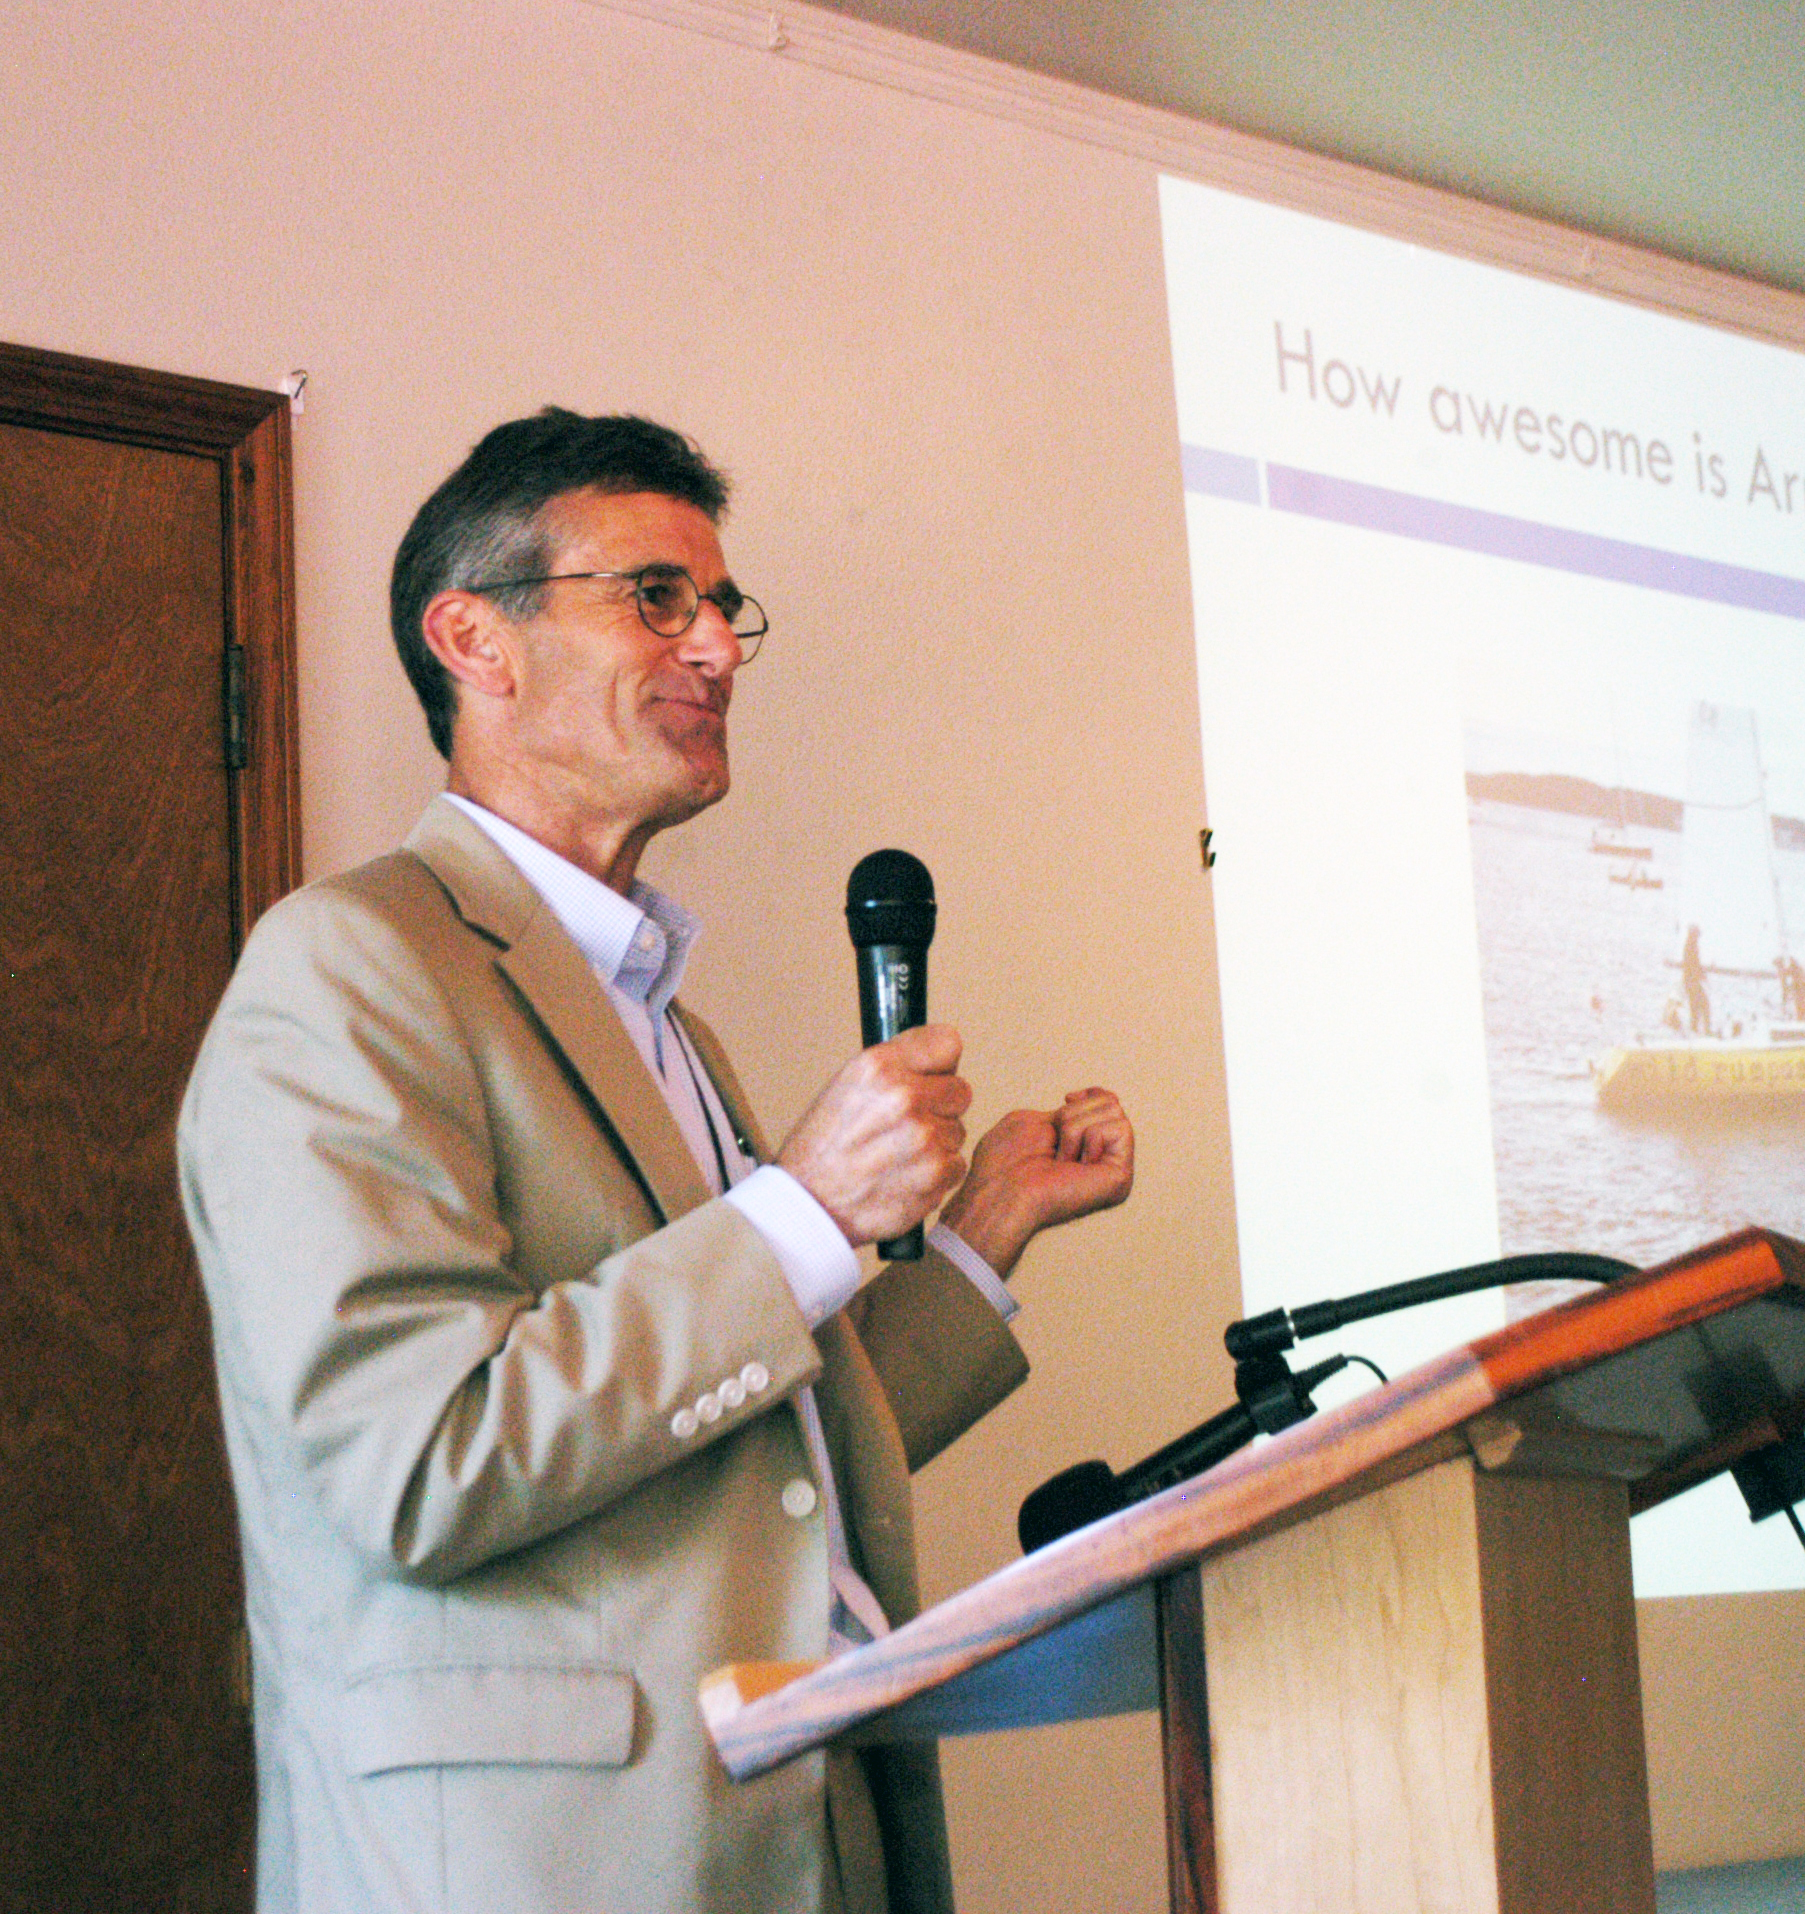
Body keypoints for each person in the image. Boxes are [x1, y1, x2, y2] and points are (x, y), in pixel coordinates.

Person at [177, 408, 1135, 1914]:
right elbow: (420, 1456)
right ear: (472, 641)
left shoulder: (660, 1021)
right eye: (654, 598)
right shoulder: (352, 968)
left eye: (721, 607)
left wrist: (982, 1229)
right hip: (546, 1869)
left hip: (792, 1835)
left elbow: (755, 1444)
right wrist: (804, 1209)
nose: (716, 650)